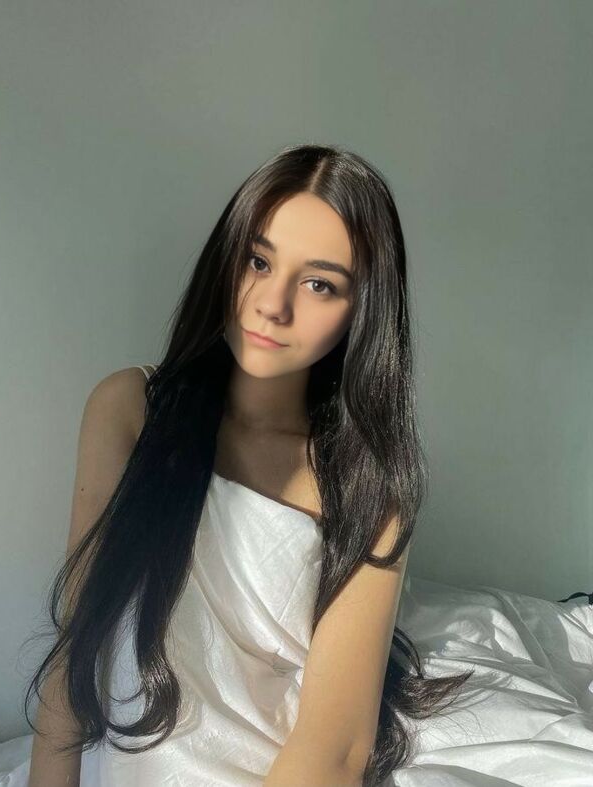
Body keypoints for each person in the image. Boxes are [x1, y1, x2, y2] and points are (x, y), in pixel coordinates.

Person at [25, 143, 473, 786]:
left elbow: (334, 746)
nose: (272, 303)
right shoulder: (127, 409)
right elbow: (78, 636)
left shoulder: (370, 487)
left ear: (362, 310)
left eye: (319, 284)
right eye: (258, 261)